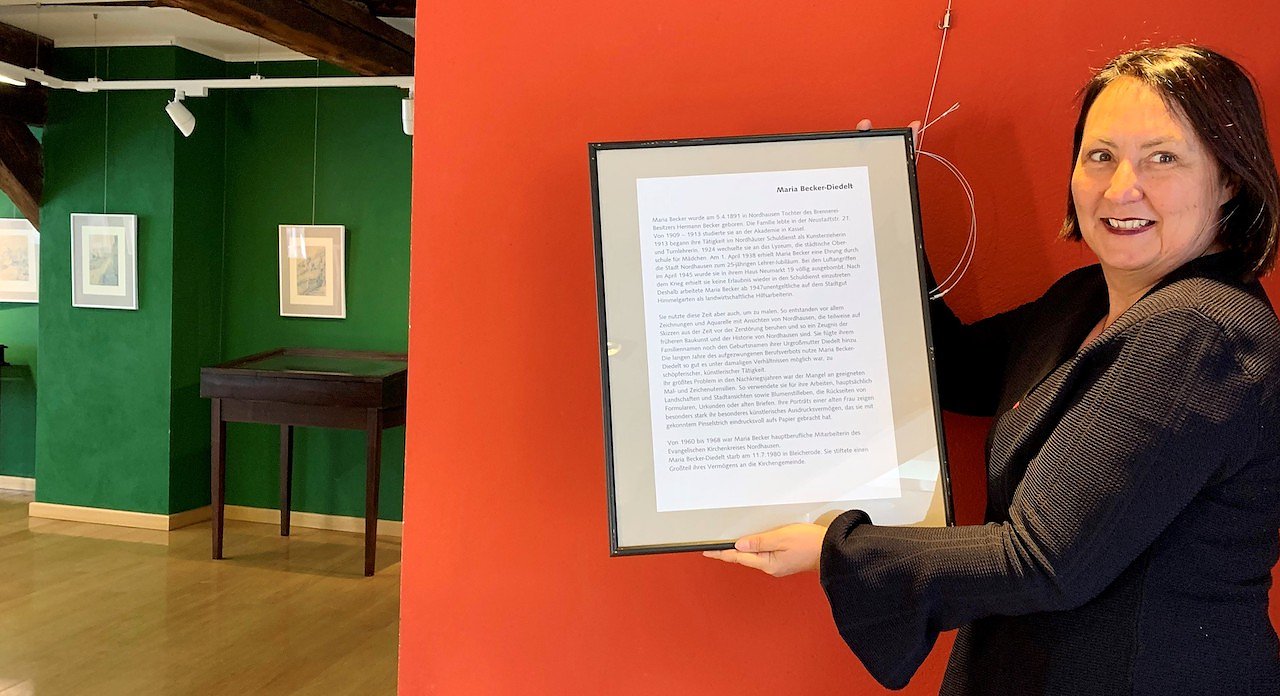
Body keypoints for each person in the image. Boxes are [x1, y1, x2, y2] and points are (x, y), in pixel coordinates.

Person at [705, 44, 1280, 695]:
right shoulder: (1082, 301)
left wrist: (834, 549)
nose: (1122, 186)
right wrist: (874, 205)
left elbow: (1041, 560)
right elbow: (953, 366)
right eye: (1100, 155)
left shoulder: (1199, 333)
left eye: (1163, 158)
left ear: (1229, 179)